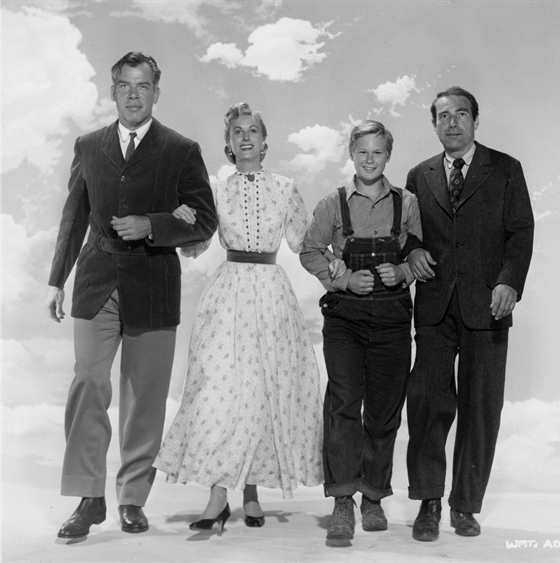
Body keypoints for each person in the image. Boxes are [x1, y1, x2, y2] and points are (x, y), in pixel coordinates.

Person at [45, 51, 217, 540]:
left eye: (143, 86)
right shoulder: (88, 145)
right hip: (96, 282)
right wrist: (57, 280)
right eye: (125, 85)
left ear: (156, 92)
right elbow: (73, 217)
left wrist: (152, 225)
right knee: (88, 382)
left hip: (154, 284)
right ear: (113, 90)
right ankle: (89, 497)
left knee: (145, 396)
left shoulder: (181, 149)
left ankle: (132, 499)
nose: (133, 95)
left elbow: (205, 220)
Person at [154, 103, 329, 532]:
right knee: (220, 389)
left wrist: (339, 260)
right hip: (227, 295)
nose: (246, 137)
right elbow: (194, 246)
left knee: (263, 392)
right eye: (237, 132)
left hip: (271, 295)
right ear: (229, 144)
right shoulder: (215, 190)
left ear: (264, 142)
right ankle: (217, 495)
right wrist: (180, 221)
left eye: (253, 131)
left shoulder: (285, 188)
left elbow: (304, 243)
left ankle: (250, 491)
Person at [403, 86, 534, 541]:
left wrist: (509, 282)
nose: (452, 122)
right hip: (435, 306)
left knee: (481, 408)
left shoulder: (506, 169)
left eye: (461, 114)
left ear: (476, 121)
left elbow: (521, 232)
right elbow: (407, 230)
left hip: (489, 306)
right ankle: (428, 503)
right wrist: (413, 250)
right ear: (433, 124)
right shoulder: (418, 175)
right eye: (443, 116)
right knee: (426, 402)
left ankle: (464, 506)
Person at [300, 120, 423, 542]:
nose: (370, 160)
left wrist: (403, 272)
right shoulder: (332, 204)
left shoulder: (407, 203)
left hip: (392, 317)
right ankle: (341, 501)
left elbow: (418, 254)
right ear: (351, 154)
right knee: (343, 406)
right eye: (363, 152)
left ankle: (372, 497)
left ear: (389, 155)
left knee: (385, 410)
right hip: (345, 319)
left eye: (378, 152)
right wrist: (343, 279)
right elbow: (309, 250)